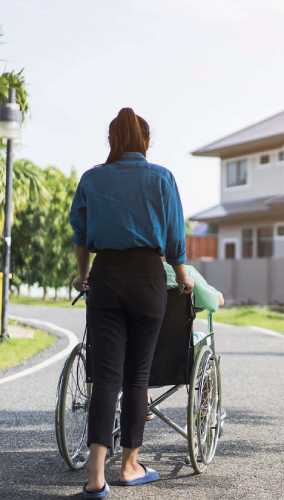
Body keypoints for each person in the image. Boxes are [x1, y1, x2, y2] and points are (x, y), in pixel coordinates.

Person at [69, 107, 193, 498]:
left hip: (105, 275)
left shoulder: (92, 178)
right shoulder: (161, 178)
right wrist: (183, 272)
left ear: (112, 141)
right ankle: (130, 466)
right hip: (147, 278)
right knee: (137, 376)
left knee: (106, 377)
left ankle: (95, 475)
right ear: (145, 141)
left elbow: (81, 233)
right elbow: (175, 236)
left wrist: (81, 271)